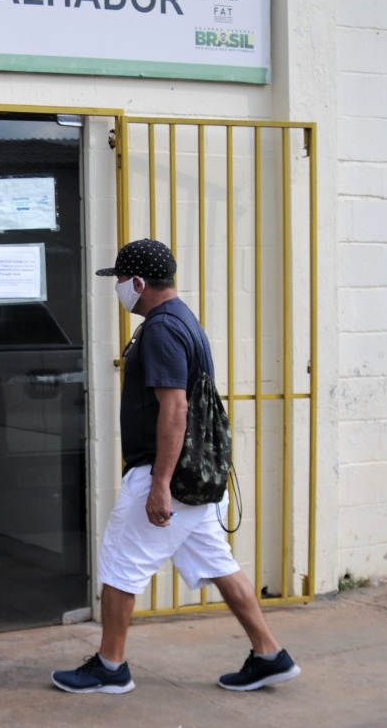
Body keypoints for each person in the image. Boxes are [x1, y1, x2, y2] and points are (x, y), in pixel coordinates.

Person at [51, 239, 300, 694]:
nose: (119, 289)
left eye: (121, 281)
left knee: (120, 566)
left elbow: (175, 409)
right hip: (195, 476)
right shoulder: (182, 318)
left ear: (139, 282)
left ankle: (110, 666)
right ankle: (269, 654)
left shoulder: (163, 329)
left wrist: (160, 484)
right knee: (219, 563)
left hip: (168, 475)